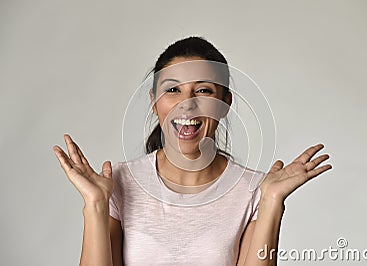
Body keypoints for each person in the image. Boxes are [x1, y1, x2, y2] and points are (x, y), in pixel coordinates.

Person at [53, 36, 332, 266]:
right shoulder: (118, 184)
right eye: (173, 89)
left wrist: (271, 201)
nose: (186, 104)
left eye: (204, 91)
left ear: (225, 103)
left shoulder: (253, 190)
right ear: (154, 102)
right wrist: (95, 204)